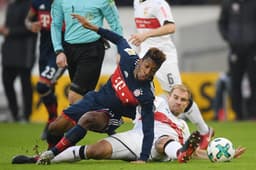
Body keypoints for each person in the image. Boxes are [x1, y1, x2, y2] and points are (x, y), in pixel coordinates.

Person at [33, 13, 166, 164]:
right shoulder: (129, 58)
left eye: (153, 70)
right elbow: (119, 39)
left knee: (88, 119)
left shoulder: (146, 94)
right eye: (147, 66)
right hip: (94, 99)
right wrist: (93, 27)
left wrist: (143, 158)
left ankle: (53, 153)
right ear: (141, 61)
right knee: (54, 127)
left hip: (112, 116)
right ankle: (46, 157)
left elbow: (148, 129)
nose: (147, 72)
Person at [12, 84, 246, 164]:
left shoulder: (184, 127)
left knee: (165, 140)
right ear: (169, 96)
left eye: (184, 100)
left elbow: (195, 153)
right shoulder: (152, 101)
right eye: (176, 97)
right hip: (136, 137)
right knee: (95, 151)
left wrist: (219, 155)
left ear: (186, 106)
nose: (179, 102)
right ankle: (42, 158)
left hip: (161, 147)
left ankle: (178, 153)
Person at [129, 0, 213, 149]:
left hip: (164, 57)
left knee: (178, 94)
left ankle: (205, 132)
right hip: (146, 55)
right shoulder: (137, 2)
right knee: (139, 91)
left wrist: (146, 35)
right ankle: (139, 130)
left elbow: (171, 27)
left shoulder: (159, 4)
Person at [51, 0, 123, 104]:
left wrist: (120, 50)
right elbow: (55, 24)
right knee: (85, 98)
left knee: (74, 96)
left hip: (92, 50)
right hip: (70, 50)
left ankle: (79, 118)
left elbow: (115, 24)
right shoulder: (59, 1)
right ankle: (102, 117)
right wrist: (59, 51)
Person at [24, 0, 66, 139]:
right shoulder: (38, 3)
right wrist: (31, 25)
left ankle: (52, 121)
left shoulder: (66, 3)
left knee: (43, 85)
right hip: (44, 52)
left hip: (60, 54)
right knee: (48, 89)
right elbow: (28, 20)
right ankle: (54, 124)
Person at [218, 0, 256, 120]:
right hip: (235, 49)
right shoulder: (228, 3)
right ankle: (238, 114)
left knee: (254, 81)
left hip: (253, 50)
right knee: (235, 82)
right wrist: (229, 38)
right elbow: (222, 23)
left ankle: (253, 113)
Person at [0, 0, 37, 122]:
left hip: (24, 51)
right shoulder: (11, 6)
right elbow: (7, 26)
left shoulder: (31, 5)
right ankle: (14, 113)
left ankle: (26, 115)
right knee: (7, 81)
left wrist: (10, 31)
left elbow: (32, 28)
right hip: (9, 50)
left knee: (25, 83)